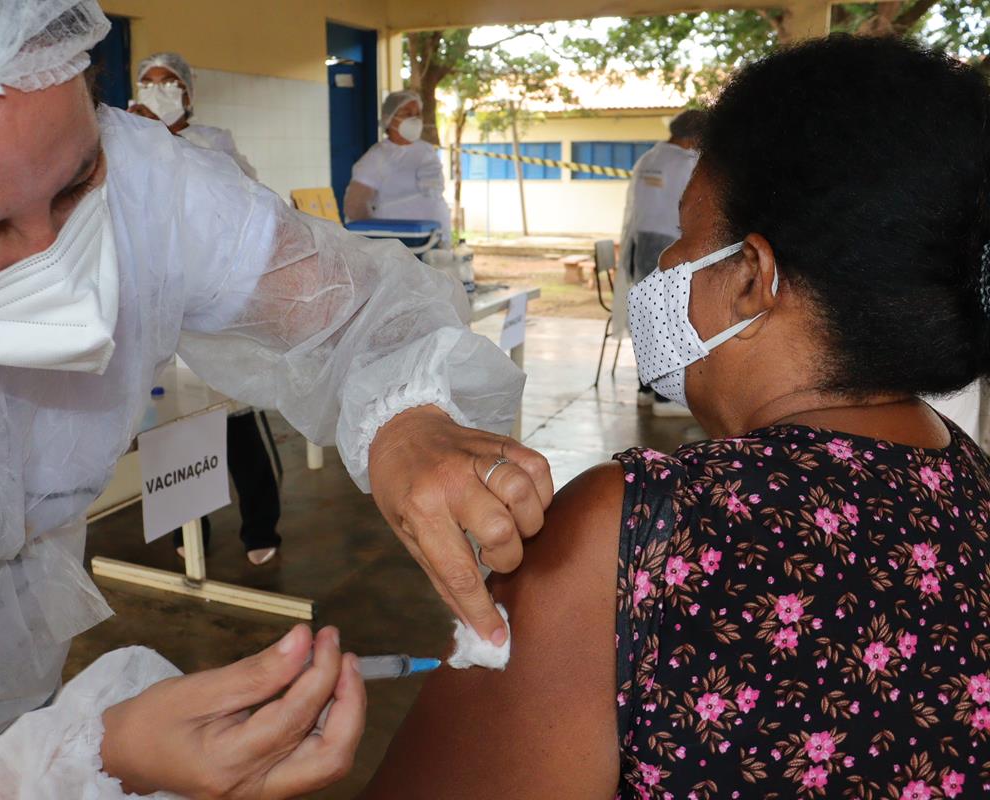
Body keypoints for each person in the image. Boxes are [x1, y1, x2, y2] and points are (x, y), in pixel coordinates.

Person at [0, 2, 555, 797]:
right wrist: (94, 760)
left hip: (21, 661)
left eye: (76, 186)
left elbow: (360, 313)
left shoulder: (147, 179)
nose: (57, 265)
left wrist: (409, 415)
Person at [366, 36, 990, 798]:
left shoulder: (636, 536)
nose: (665, 266)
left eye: (688, 236)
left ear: (752, 278)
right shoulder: (971, 487)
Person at [132, 51, 283, 565]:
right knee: (172, 420)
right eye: (149, 82)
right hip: (157, 303)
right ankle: (186, 527)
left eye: (169, 81)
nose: (159, 90)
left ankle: (260, 525)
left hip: (214, 302)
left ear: (188, 93)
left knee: (235, 415)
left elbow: (243, 205)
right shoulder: (125, 142)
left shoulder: (213, 143)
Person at [613, 109, 707, 418]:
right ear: (695, 136)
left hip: (639, 247)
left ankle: (645, 389)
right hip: (670, 246)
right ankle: (665, 397)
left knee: (647, 317)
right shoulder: (687, 163)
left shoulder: (648, 159)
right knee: (672, 317)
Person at [344, 90, 453, 248]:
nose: (414, 119)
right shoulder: (377, 156)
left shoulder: (426, 150)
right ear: (389, 118)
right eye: (407, 113)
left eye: (418, 114)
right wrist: (374, 238)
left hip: (435, 236)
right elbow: (355, 207)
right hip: (400, 241)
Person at [131, 51, 259, 180]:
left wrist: (167, 134)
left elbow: (245, 181)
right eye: (146, 85)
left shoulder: (212, 138)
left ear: (187, 95)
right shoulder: (134, 138)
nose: (156, 94)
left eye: (169, 84)